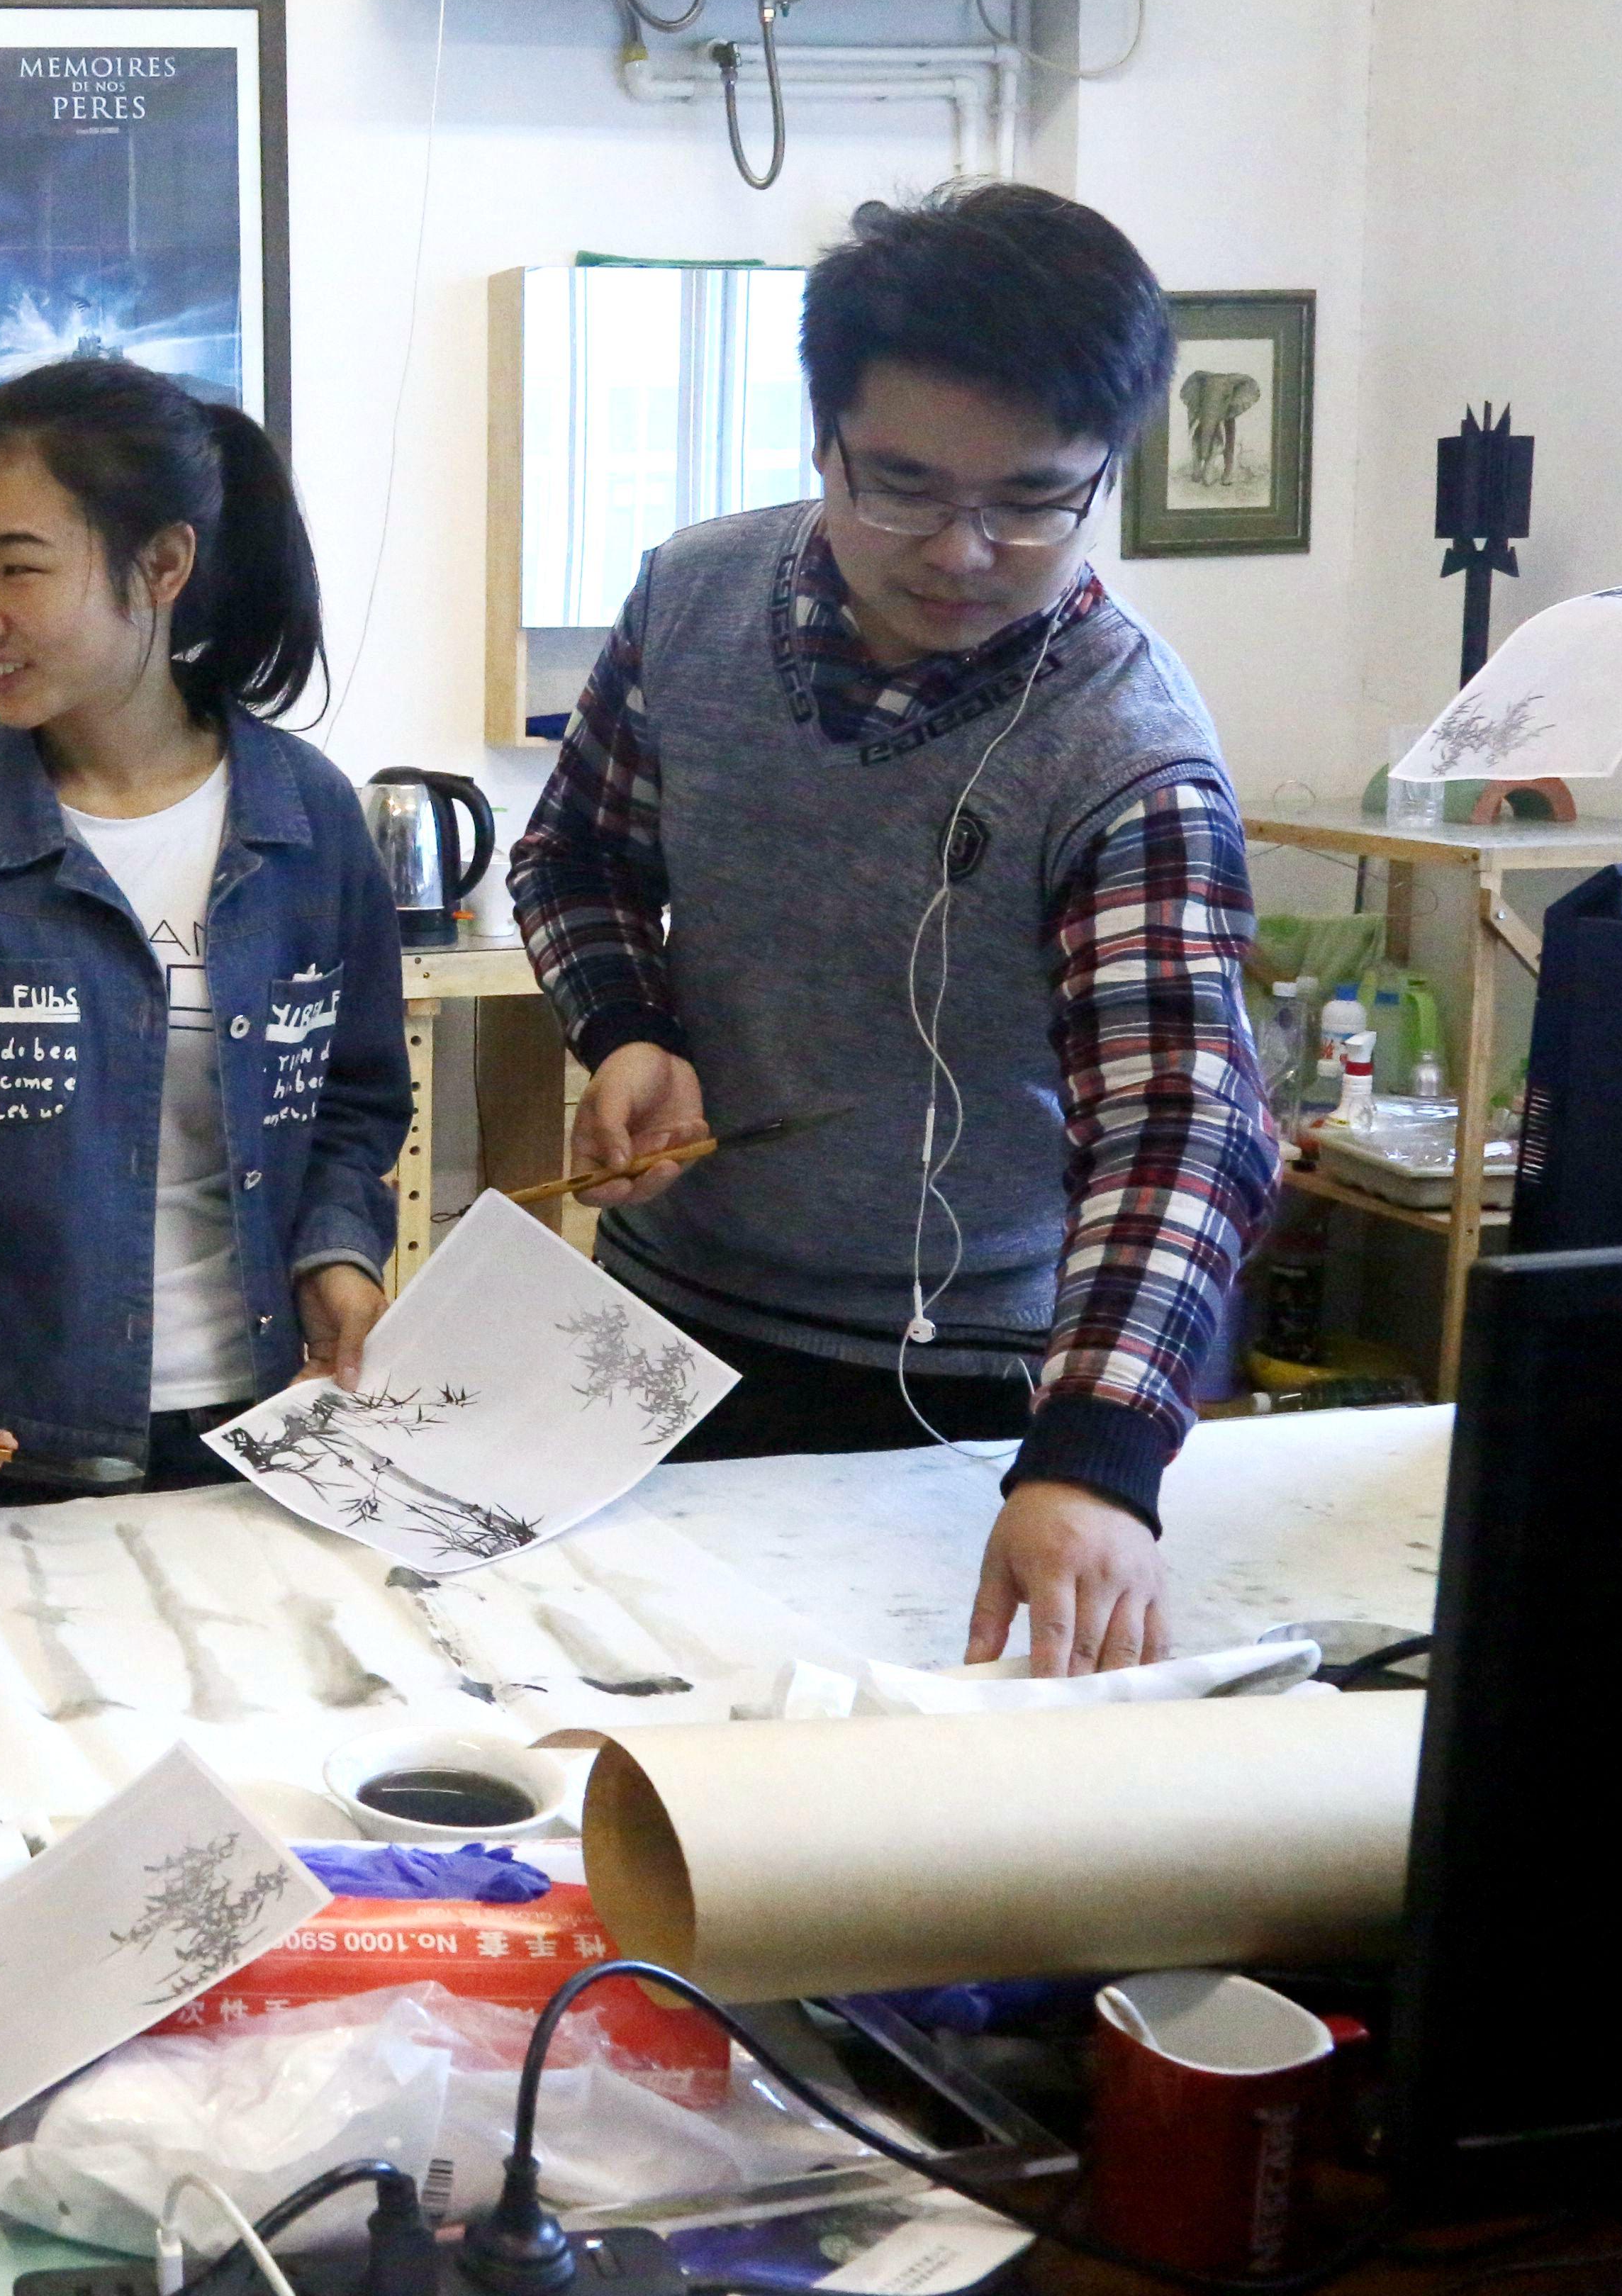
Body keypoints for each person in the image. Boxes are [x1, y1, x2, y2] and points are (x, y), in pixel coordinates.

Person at [506, 181, 1282, 1676]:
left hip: (975, 1382)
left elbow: (1180, 1121)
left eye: (1032, 501)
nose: (963, 551)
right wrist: (632, 1031)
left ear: (1105, 476)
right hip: (665, 1329)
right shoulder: (692, 597)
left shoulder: (1125, 748)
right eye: (905, 487)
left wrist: (1095, 1458)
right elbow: (579, 856)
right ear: (825, 439)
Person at [0, 358, 412, 1500]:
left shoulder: (306, 825)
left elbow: (354, 1103)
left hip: (261, 1435)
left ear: (162, 566)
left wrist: (338, 1253)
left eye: (19, 568)